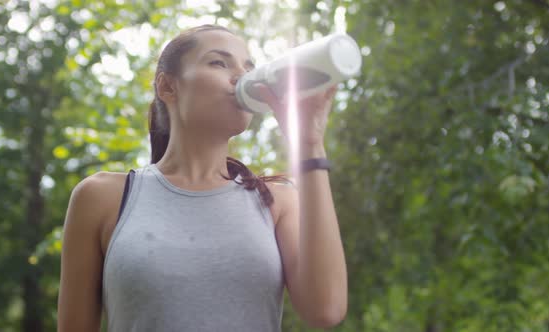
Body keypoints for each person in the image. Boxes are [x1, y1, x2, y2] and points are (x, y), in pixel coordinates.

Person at [57, 24, 347, 332]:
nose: (242, 76)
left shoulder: (277, 201)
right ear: (167, 87)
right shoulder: (101, 197)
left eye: (248, 67)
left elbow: (326, 310)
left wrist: (309, 144)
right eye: (219, 63)